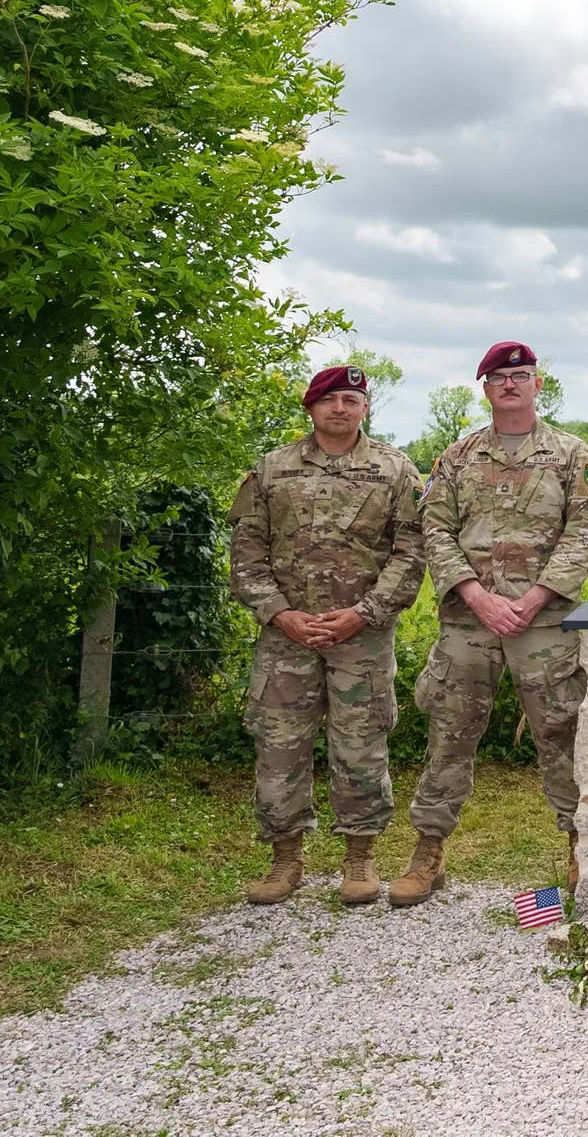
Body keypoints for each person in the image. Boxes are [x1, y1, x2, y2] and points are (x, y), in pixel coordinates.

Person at [392, 342, 588, 907]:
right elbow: (433, 531)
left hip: (544, 620)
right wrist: (477, 595)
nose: (511, 385)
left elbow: (584, 533)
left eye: (522, 376)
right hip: (470, 620)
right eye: (499, 377)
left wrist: (533, 598)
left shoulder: (569, 454)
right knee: (450, 731)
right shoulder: (457, 458)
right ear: (485, 388)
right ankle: (427, 850)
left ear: (538, 386)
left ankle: (582, 847)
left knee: (561, 735)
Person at [226, 366, 425, 906]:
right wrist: (278, 612)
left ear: (365, 409)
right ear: (310, 408)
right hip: (286, 636)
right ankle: (284, 859)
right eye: (330, 399)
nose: (341, 408)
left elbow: (411, 554)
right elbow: (246, 555)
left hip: (360, 636)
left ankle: (360, 856)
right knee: (279, 747)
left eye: (352, 399)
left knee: (361, 746)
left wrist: (366, 612)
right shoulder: (271, 470)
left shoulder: (395, 471)